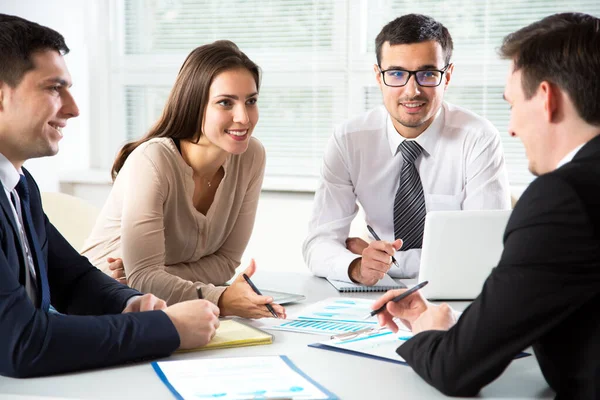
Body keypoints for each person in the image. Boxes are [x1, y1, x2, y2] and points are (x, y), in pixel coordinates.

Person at [372, 12, 600, 398]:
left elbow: (455, 370)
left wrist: (429, 332)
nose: (511, 127)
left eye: (511, 104)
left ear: (546, 99)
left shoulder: (562, 200)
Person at [0, 14, 220, 378]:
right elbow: (22, 343)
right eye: (55, 88)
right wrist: (169, 329)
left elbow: (72, 278)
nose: (73, 108)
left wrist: (131, 304)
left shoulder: (20, 184)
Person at [80, 41, 285, 319]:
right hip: (101, 305)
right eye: (225, 102)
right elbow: (143, 280)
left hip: (163, 304)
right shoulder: (153, 160)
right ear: (194, 104)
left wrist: (154, 276)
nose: (244, 117)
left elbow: (225, 263)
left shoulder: (251, 156)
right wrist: (221, 298)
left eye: (251, 101)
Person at [303, 14, 511, 286]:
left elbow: (487, 252)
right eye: (397, 74)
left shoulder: (478, 138)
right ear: (378, 77)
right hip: (376, 294)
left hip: (458, 292)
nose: (411, 91)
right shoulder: (349, 141)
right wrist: (355, 266)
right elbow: (318, 243)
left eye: (427, 74)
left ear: (447, 76)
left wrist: (391, 264)